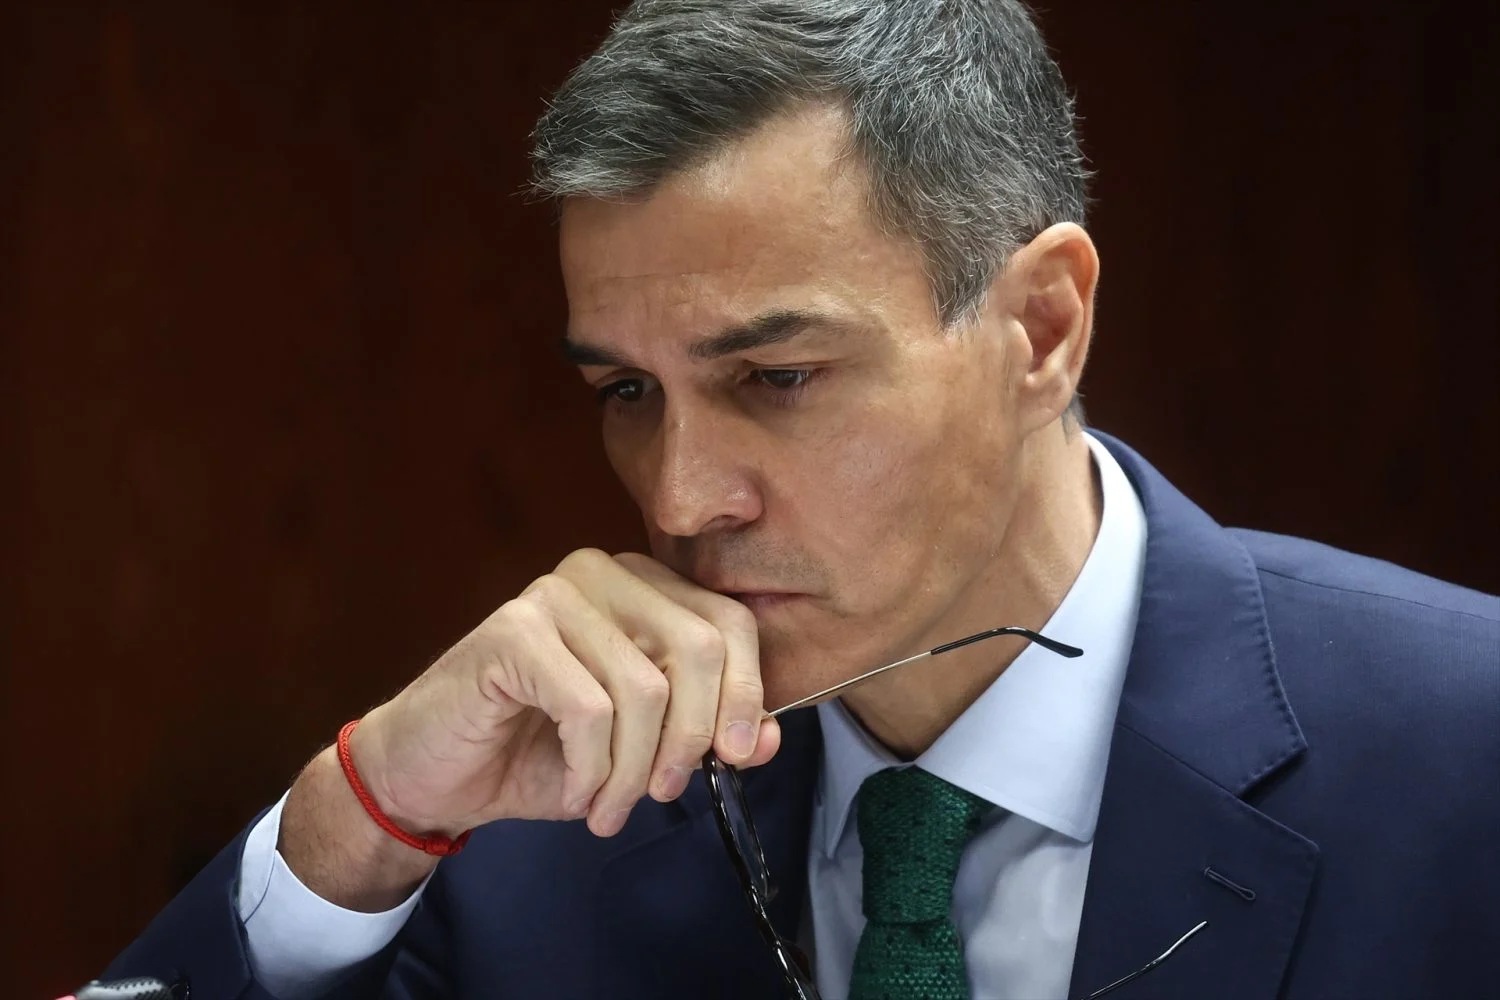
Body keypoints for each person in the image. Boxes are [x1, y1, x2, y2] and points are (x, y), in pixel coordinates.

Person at [102, 1, 1499, 997]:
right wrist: (358, 820)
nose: (680, 498)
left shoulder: (1465, 753)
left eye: (776, 377)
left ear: (1042, 327)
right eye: (626, 391)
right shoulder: (525, 825)